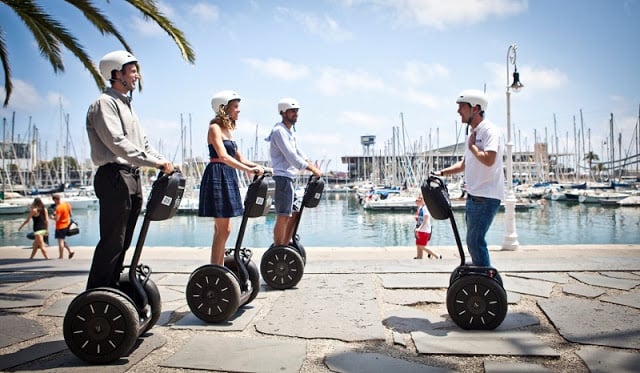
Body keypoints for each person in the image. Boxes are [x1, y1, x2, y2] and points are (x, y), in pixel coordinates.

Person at [85, 50, 174, 290]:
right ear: (116, 73)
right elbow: (117, 143)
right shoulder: (105, 104)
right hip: (114, 176)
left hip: (131, 177)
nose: (137, 76)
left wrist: (164, 161)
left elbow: (143, 145)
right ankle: (98, 292)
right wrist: (154, 164)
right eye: (133, 71)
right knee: (113, 241)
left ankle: (112, 290)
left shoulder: (127, 106)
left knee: (124, 242)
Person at [434, 89, 504, 267]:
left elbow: (489, 159)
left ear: (475, 108)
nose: (458, 111)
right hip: (475, 197)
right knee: (473, 242)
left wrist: (472, 146)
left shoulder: (489, 131)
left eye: (461, 107)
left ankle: (486, 282)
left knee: (475, 242)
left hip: (485, 196)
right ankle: (481, 278)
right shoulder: (472, 134)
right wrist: (441, 173)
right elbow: (464, 164)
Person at [198, 90, 265, 265]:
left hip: (228, 174)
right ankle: (216, 269)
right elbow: (223, 156)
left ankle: (217, 267)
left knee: (223, 229)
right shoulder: (214, 128)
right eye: (235, 107)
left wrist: (261, 167)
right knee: (224, 229)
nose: (239, 110)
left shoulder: (228, 130)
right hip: (218, 174)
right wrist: (246, 170)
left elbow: (240, 158)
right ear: (223, 108)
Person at [266, 98, 322, 246]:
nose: (295, 114)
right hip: (282, 178)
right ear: (283, 112)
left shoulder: (289, 132)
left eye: (297, 111)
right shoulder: (279, 131)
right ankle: (278, 249)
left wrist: (312, 165)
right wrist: (312, 169)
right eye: (292, 111)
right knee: (283, 216)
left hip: (289, 178)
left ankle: (285, 245)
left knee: (295, 213)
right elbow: (292, 157)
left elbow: (299, 153)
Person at [414, 194, 441, 260]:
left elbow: (426, 219)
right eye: (417, 199)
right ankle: (419, 257)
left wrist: (419, 229)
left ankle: (436, 255)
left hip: (424, 230)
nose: (418, 200)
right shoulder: (421, 208)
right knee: (418, 244)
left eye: (420, 199)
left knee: (422, 245)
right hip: (420, 229)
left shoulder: (426, 208)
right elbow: (418, 219)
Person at [51, 194, 75, 259]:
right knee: (62, 240)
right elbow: (71, 214)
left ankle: (61, 256)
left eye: (54, 200)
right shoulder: (67, 204)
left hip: (60, 226)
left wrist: (52, 217)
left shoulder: (58, 208)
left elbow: (57, 219)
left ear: (55, 200)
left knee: (60, 242)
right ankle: (70, 251)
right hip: (66, 225)